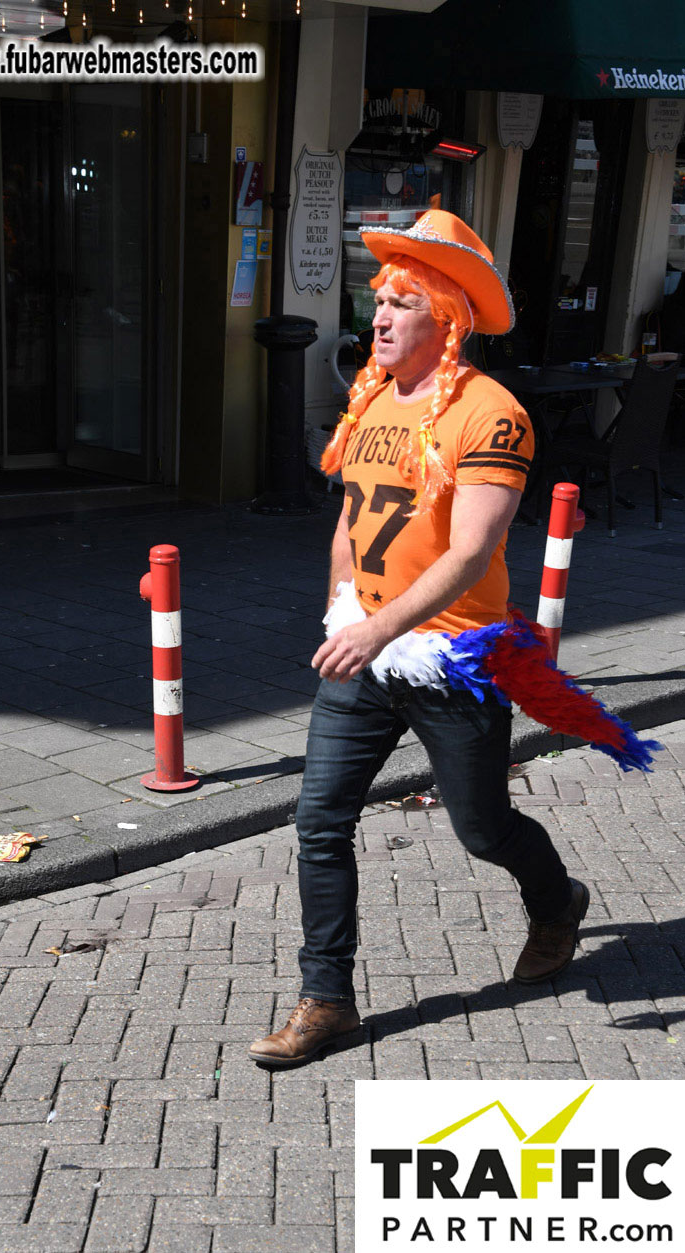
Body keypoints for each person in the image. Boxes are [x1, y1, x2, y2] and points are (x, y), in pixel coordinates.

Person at [248, 210, 589, 1068]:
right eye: (379, 301)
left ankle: (557, 904)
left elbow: (471, 550)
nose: (380, 317)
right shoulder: (369, 398)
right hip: (364, 650)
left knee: (482, 829)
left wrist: (378, 626)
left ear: (447, 319)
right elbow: (349, 520)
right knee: (319, 819)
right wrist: (342, 605)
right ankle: (326, 999)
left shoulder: (492, 413)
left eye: (402, 303)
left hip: (452, 659)